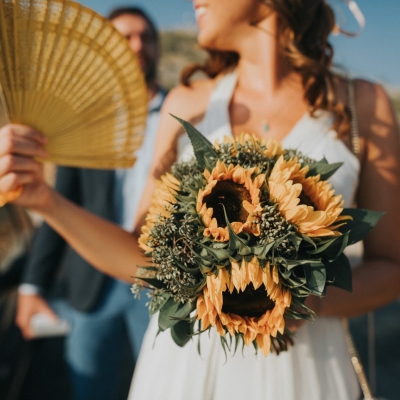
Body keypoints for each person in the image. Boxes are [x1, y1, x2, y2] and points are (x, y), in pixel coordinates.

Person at [0, 1, 400, 399]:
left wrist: (305, 300)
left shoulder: (361, 104)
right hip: (188, 368)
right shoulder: (187, 103)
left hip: (306, 369)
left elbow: (393, 267)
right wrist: (42, 199)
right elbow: (145, 259)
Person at [13, 7, 166, 400]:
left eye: (145, 37)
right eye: (124, 38)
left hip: (161, 282)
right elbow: (58, 206)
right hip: (92, 281)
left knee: (165, 387)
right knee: (89, 386)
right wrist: (32, 285)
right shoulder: (83, 125)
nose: (137, 46)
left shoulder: (184, 112)